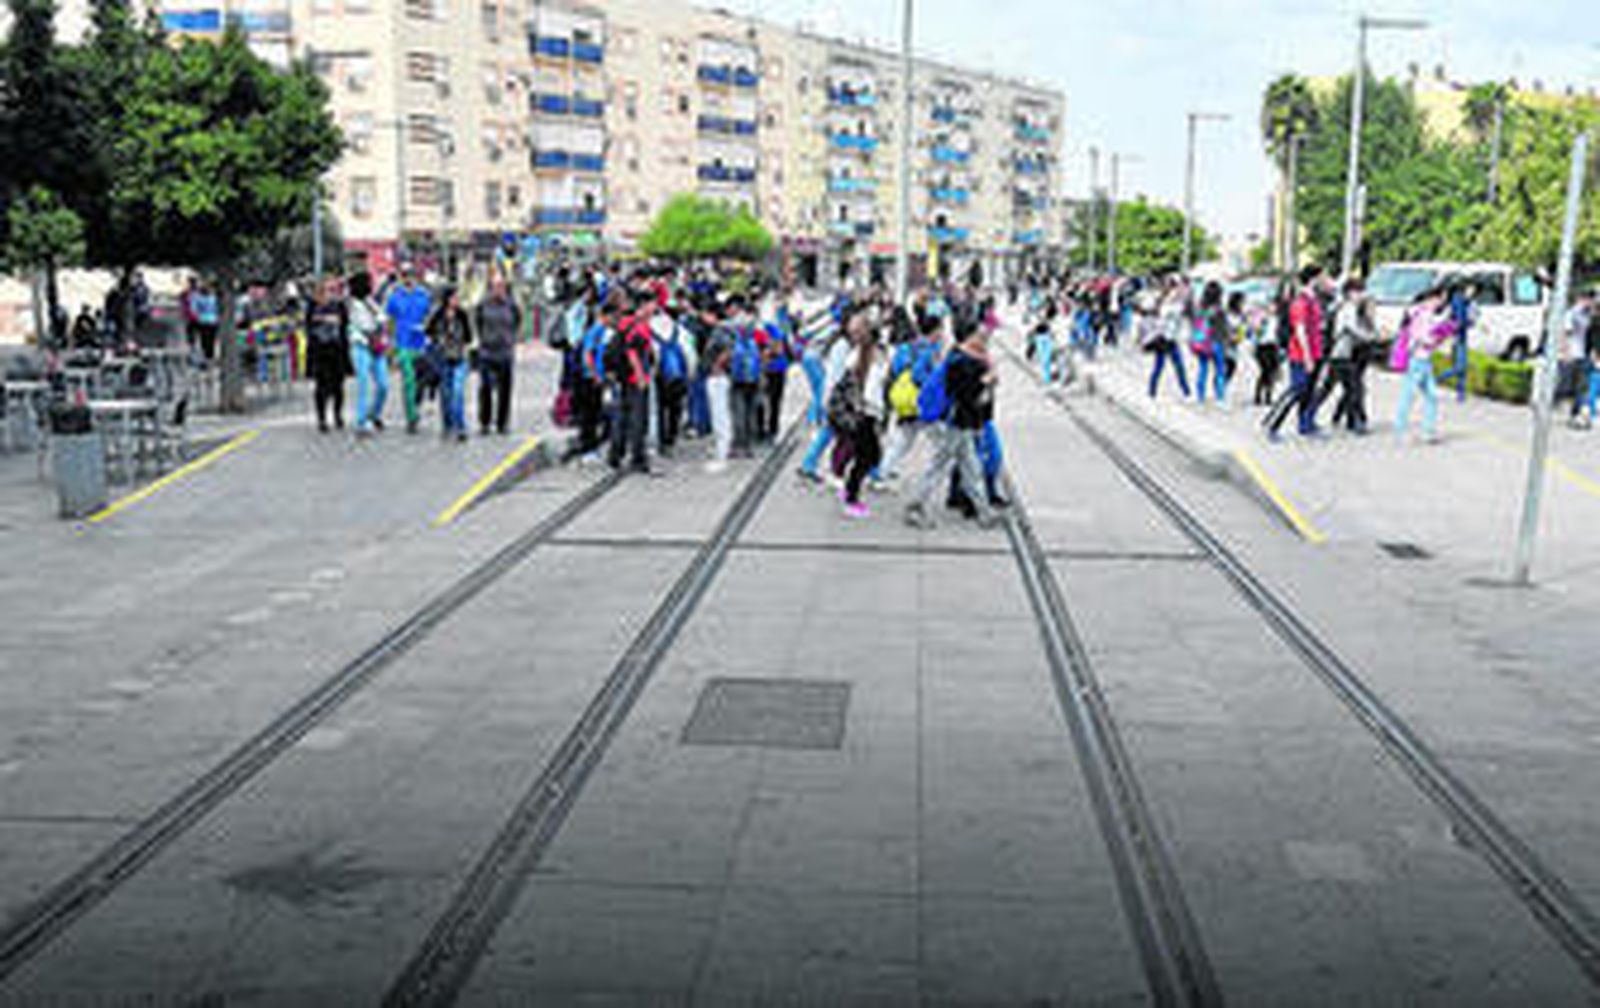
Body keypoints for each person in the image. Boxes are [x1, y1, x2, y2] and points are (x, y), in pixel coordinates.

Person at [904, 316, 996, 530]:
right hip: (951, 423)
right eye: (980, 335)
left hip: (960, 424)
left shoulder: (962, 357)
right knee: (938, 467)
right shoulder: (959, 362)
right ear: (970, 337)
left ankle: (984, 512)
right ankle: (914, 507)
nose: (984, 339)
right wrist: (987, 380)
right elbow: (967, 395)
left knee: (971, 467)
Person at [834, 317, 889, 518]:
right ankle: (851, 497)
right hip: (862, 414)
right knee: (868, 457)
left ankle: (849, 486)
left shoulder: (874, 355)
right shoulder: (859, 357)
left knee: (868, 456)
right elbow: (866, 390)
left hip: (869, 413)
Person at [1265, 264, 1325, 440]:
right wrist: (1307, 356)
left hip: (1315, 352)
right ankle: (1273, 425)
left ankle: (1305, 425)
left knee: (1309, 391)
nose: (1324, 280)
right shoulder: (1300, 302)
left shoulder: (1314, 300)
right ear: (1313, 279)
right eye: (1322, 277)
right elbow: (1300, 331)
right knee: (1296, 390)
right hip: (1300, 355)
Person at [605, 289, 657, 473]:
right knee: (638, 419)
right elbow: (632, 352)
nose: (655, 307)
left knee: (623, 416)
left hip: (623, 378)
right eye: (652, 304)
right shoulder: (639, 326)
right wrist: (641, 377)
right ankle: (637, 458)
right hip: (635, 379)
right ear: (643, 306)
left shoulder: (626, 323)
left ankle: (615, 455)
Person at [1394, 287, 1453, 442]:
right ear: (1433, 298)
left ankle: (1428, 431)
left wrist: (1444, 321)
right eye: (1441, 299)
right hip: (1418, 360)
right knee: (1410, 396)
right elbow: (1419, 336)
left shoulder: (1419, 312)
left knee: (1430, 396)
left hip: (1422, 360)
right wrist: (1434, 340)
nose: (1442, 302)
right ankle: (1403, 431)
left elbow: (1434, 324)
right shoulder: (1423, 314)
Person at [384, 265, 433, 434]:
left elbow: (430, 316)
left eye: (410, 274)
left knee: (424, 379)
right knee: (408, 381)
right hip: (403, 344)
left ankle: (416, 402)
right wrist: (390, 344)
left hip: (421, 344)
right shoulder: (395, 297)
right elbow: (389, 320)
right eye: (404, 275)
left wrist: (426, 328)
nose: (408, 278)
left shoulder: (424, 295)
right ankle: (411, 418)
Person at [425, 285, 474, 441]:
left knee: (458, 392)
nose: (456, 300)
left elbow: (469, 337)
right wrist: (439, 343)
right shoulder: (438, 315)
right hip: (443, 359)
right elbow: (428, 332)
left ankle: (460, 427)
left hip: (459, 358)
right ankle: (447, 425)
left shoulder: (462, 315)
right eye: (454, 297)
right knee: (446, 394)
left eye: (457, 297)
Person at [474, 275, 521, 436]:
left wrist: (510, 340)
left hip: (505, 353)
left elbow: (517, 322)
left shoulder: (511, 305)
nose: (499, 289)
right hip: (487, 352)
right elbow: (478, 323)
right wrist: (484, 340)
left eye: (501, 286)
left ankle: (502, 423)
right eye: (496, 286)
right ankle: (485, 422)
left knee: (505, 390)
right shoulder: (483, 304)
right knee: (485, 388)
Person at [1327, 278, 1374, 433]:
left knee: (1351, 388)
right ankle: (1354, 422)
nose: (1361, 295)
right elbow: (1352, 329)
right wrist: (1370, 337)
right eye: (1359, 291)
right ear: (1350, 293)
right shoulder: (1348, 309)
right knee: (1355, 388)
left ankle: (1349, 420)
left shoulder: (1349, 307)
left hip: (1344, 354)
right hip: (1341, 354)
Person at [304, 277, 351, 432]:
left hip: (336, 349)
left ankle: (338, 415)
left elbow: (345, 324)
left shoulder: (340, 305)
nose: (331, 292)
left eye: (333, 289)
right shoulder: (312, 305)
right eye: (328, 289)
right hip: (319, 351)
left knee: (338, 385)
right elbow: (308, 325)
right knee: (321, 386)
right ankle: (322, 418)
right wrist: (323, 319)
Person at [347, 271, 388, 435]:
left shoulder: (371, 302)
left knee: (383, 385)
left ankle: (374, 414)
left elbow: (383, 318)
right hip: (361, 346)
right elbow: (356, 326)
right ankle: (361, 421)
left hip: (376, 346)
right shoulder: (351, 304)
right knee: (363, 385)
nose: (372, 285)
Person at [654, 298, 694, 455]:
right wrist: (690, 375)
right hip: (678, 377)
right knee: (674, 409)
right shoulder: (682, 331)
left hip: (659, 377)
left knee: (659, 408)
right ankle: (671, 438)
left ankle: (660, 439)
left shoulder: (651, 328)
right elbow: (690, 355)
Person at [727, 300, 763, 457]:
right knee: (749, 413)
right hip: (752, 381)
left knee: (739, 413)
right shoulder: (753, 343)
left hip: (738, 381)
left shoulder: (735, 343)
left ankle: (738, 445)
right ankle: (747, 446)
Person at [1146, 279, 1191, 400]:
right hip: (1164, 338)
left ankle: (1185, 391)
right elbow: (1163, 319)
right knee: (1165, 366)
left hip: (1170, 338)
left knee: (1175, 366)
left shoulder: (1174, 303)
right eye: (1175, 288)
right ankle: (1152, 390)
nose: (1177, 292)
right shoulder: (1166, 304)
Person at [1438, 279, 1476, 404]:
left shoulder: (1466, 302)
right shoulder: (1458, 301)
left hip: (1462, 336)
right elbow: (1459, 320)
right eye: (1471, 289)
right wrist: (1469, 322)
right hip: (1456, 337)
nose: (1473, 292)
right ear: (1465, 289)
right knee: (1460, 367)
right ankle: (1435, 380)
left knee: (1462, 367)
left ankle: (1461, 394)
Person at [1192, 281, 1229, 404]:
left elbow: (1195, 324)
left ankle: (1200, 396)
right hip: (1216, 342)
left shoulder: (1200, 309)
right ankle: (1219, 397)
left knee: (1203, 369)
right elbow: (1225, 329)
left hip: (1202, 342)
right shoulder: (1219, 310)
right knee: (1219, 370)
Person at [1254, 280, 1289, 406]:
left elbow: (1281, 333)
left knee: (1273, 371)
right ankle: (1258, 395)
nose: (1272, 308)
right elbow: (1256, 330)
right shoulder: (1263, 317)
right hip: (1262, 346)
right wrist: (1260, 322)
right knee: (1265, 371)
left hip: (1274, 346)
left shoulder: (1278, 318)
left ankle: (1268, 395)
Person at [1565, 290, 1596, 429]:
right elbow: (1566, 333)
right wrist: (1565, 352)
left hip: (1585, 354)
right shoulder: (1573, 313)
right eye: (1589, 299)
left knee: (1582, 387)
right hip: (1576, 354)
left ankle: (1578, 414)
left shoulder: (1590, 314)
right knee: (1580, 387)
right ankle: (1578, 415)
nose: (1591, 302)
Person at [191, 283, 220, 361]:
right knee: (209, 337)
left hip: (205, 320)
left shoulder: (198, 297)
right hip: (210, 320)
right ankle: (209, 353)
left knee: (206, 337)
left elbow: (194, 309)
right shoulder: (212, 297)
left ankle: (208, 353)